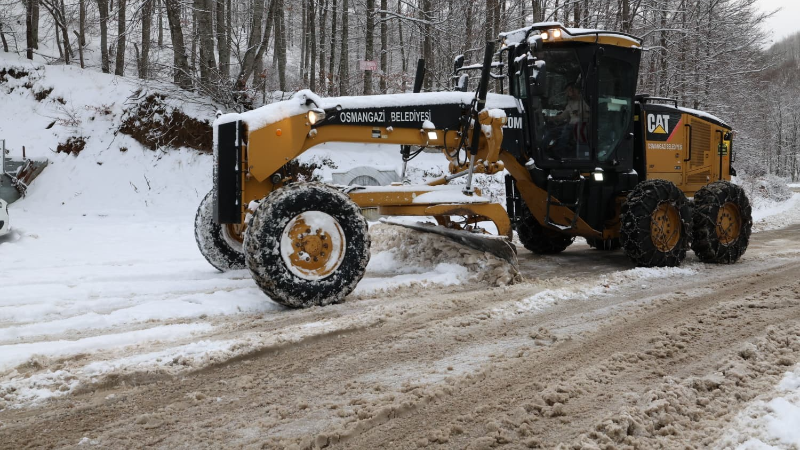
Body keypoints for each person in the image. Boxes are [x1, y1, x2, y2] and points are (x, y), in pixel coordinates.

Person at [543, 82, 590, 158]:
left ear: (576, 90)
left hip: (580, 126)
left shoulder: (585, 101)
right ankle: (544, 150)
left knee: (566, 131)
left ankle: (559, 151)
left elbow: (589, 115)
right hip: (570, 126)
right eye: (567, 91)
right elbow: (562, 116)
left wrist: (579, 114)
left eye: (570, 90)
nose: (569, 93)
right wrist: (549, 118)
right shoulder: (570, 104)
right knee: (551, 131)